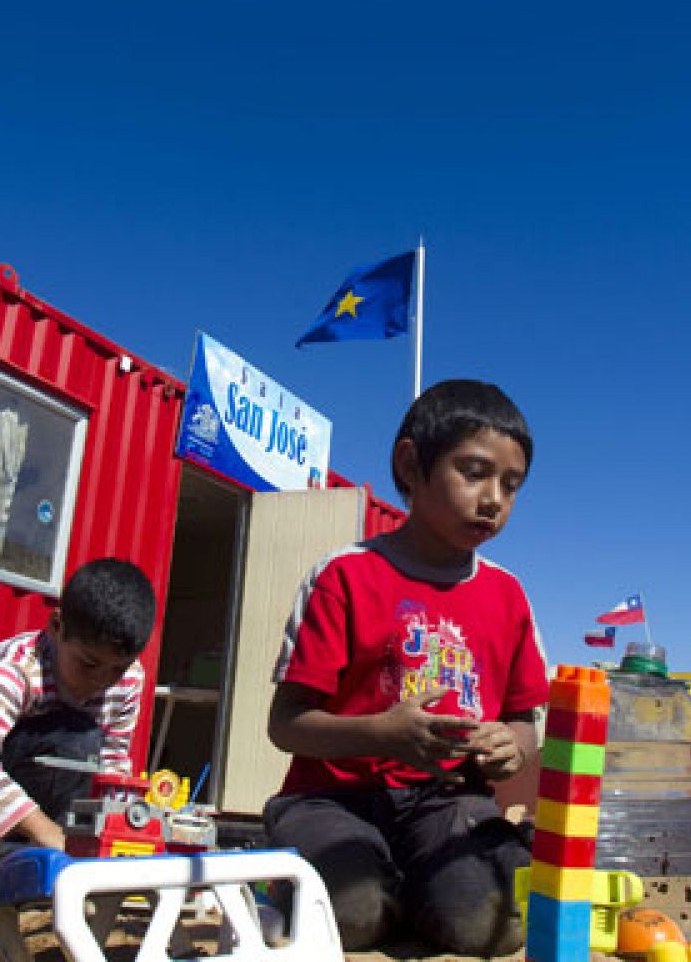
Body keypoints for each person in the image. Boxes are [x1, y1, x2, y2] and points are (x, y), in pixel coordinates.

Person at [265, 379, 549, 957]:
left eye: (511, 485)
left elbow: (526, 722)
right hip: (332, 798)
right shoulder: (345, 577)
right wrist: (381, 734)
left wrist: (511, 746)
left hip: (449, 804)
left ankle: (422, 890)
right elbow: (286, 724)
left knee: (492, 924)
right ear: (410, 464)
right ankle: (365, 881)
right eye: (474, 472)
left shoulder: (509, 597)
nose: (493, 498)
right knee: (354, 915)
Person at [0, 557, 155, 865]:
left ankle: (20, 847)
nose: (102, 680)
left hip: (47, 795)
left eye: (117, 668)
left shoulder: (128, 680)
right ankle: (10, 842)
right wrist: (48, 833)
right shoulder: (19, 669)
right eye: (88, 664)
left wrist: (119, 833)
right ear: (56, 627)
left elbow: (113, 761)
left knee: (92, 753)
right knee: (80, 740)